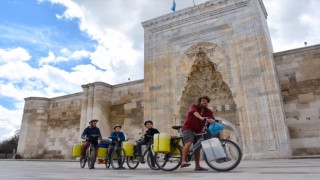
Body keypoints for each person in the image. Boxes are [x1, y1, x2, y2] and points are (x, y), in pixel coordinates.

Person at [180, 96, 215, 171]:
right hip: (188, 128)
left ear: (207, 103)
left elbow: (212, 119)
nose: (204, 102)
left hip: (198, 130)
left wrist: (212, 121)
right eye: (202, 101)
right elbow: (195, 113)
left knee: (197, 148)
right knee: (188, 142)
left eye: (206, 101)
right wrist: (201, 117)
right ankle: (183, 161)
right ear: (199, 102)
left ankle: (197, 166)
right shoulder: (194, 106)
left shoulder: (209, 111)